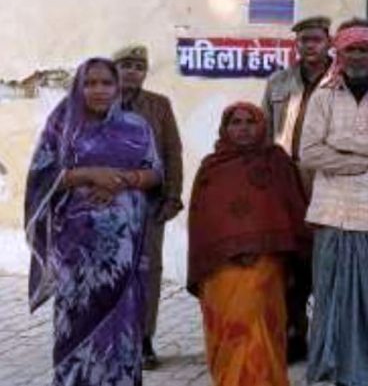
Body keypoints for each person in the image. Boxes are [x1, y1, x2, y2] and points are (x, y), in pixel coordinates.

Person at [25, 58, 162, 384]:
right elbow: (40, 176)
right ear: (78, 87)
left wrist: (122, 180)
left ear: (117, 87)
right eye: (90, 83)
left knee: (122, 320)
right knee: (77, 321)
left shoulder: (136, 126)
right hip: (77, 250)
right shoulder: (62, 126)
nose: (99, 90)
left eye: (106, 83)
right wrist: (89, 174)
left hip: (125, 252)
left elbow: (156, 173)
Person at [300, 21, 368, 386]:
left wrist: (339, 143)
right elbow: (310, 153)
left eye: (364, 50)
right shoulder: (323, 97)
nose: (358, 56)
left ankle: (366, 377)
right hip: (332, 214)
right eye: (351, 49)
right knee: (329, 302)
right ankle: (333, 373)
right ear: (340, 54)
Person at [187, 102, 312, 386]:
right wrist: (232, 250)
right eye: (236, 122)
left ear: (262, 126)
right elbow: (201, 220)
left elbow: (293, 210)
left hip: (266, 266)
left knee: (262, 330)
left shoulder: (277, 162)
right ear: (225, 128)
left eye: (250, 122)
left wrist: (266, 247)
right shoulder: (211, 167)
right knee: (231, 331)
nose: (243, 128)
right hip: (222, 269)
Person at [261, 15, 332, 362]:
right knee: (290, 261)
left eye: (316, 39)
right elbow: (264, 131)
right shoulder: (279, 82)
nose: (310, 46)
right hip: (286, 178)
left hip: (328, 179)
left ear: (328, 42)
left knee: (325, 259)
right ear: (297, 44)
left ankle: (326, 338)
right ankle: (294, 333)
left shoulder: (340, 79)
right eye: (304, 40)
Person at [113, 44, 185, 370]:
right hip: (106, 204)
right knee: (110, 271)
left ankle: (144, 339)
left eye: (139, 66)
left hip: (148, 203)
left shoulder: (159, 105)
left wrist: (172, 197)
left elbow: (172, 153)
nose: (132, 71)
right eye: (126, 65)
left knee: (147, 272)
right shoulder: (97, 102)